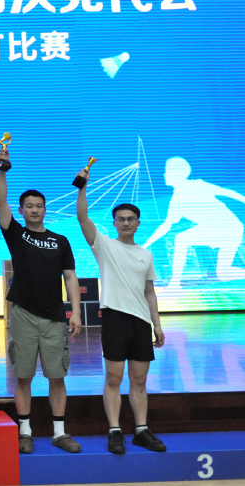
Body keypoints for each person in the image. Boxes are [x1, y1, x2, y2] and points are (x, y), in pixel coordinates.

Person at [0, 147, 82, 454]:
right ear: (21, 211)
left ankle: (59, 433)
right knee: (23, 376)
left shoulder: (60, 241)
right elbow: (1, 202)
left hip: (54, 317)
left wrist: (75, 312)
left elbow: (70, 278)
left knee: (56, 377)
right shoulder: (16, 234)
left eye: (39, 206)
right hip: (22, 314)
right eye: (29, 206)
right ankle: (25, 431)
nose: (34, 210)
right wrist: (2, 170)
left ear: (45, 210)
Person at [76, 168, 166, 454]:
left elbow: (149, 292)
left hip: (141, 322)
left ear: (138, 223)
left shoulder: (146, 254)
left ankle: (141, 430)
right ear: (114, 223)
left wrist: (157, 324)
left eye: (130, 219)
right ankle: (114, 430)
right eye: (121, 219)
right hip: (115, 319)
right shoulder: (105, 246)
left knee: (139, 380)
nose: (126, 223)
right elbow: (82, 218)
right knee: (114, 378)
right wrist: (82, 187)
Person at [143, 157, 245, 293]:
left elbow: (227, 192)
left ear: (178, 173)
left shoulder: (198, 185)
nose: (164, 174)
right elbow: (166, 226)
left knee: (181, 239)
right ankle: (175, 284)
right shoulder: (176, 201)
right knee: (223, 274)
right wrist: (145, 245)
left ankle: (175, 284)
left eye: (167, 171)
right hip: (215, 229)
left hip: (229, 227)